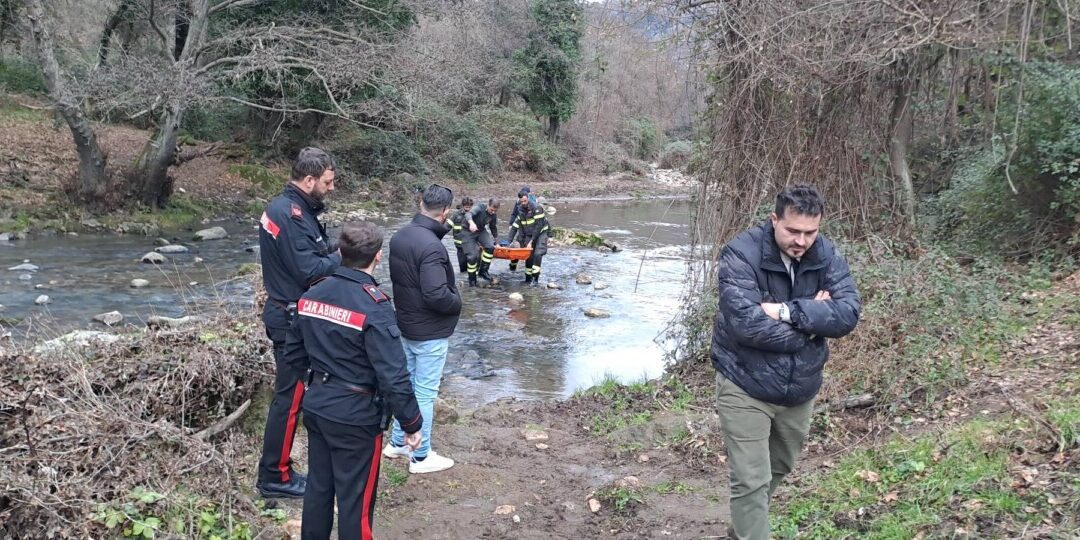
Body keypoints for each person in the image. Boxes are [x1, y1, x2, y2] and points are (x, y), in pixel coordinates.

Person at [710, 185, 860, 539]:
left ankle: (743, 527)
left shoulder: (826, 254)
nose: (802, 241)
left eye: (810, 232)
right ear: (774, 219)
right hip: (744, 382)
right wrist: (812, 322)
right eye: (793, 231)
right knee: (750, 478)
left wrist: (786, 311)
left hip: (800, 388)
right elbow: (746, 326)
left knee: (780, 466)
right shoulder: (740, 253)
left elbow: (848, 314)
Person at [296, 221, 423, 539]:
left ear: (340, 253)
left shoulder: (311, 295)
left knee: (318, 491)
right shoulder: (374, 306)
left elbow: (297, 354)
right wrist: (412, 424)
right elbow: (393, 375)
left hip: (317, 405)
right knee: (356, 505)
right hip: (356, 418)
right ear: (378, 257)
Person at [256, 147, 341, 499]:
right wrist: (345, 256)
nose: (332, 188)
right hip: (289, 318)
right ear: (309, 180)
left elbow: (312, 249)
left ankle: (280, 469)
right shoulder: (289, 214)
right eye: (328, 182)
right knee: (289, 400)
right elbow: (309, 270)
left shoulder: (295, 209)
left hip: (291, 312)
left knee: (292, 397)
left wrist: (335, 245)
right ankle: (275, 476)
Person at [384, 184, 462, 474]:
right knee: (425, 393)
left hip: (405, 324)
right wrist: (458, 302)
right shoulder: (431, 246)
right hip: (428, 332)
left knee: (407, 385)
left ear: (420, 203)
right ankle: (420, 456)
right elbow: (436, 295)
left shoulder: (400, 236)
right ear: (445, 213)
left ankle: (397, 442)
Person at [508, 194, 551, 286]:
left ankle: (535, 280)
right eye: (521, 202)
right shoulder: (520, 210)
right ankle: (528, 279)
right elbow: (515, 227)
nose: (523, 203)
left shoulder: (537, 208)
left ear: (528, 200)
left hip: (541, 232)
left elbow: (538, 227)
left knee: (537, 253)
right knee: (529, 255)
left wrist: (531, 241)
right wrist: (507, 242)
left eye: (525, 201)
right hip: (529, 233)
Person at [462, 198, 500, 286]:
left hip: (480, 231)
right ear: (488, 205)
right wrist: (471, 223)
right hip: (468, 231)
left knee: (490, 247)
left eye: (495, 211)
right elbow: (468, 214)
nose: (493, 212)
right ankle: (472, 280)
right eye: (491, 210)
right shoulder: (479, 207)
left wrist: (497, 242)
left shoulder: (493, 215)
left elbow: (493, 228)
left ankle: (483, 271)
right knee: (472, 257)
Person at [449, 196, 474, 274]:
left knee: (472, 267)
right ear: (463, 206)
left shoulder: (474, 214)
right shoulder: (456, 215)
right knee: (463, 269)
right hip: (460, 246)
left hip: (470, 245)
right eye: (466, 207)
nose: (468, 209)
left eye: (469, 207)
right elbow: (447, 226)